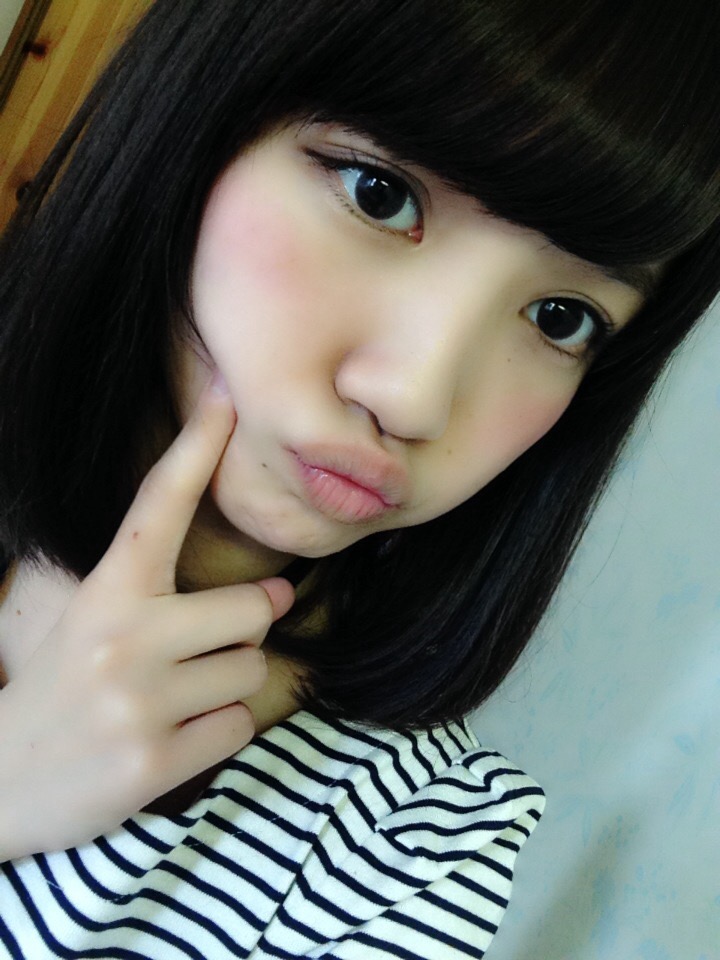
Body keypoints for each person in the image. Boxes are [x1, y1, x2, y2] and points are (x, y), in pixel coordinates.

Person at [0, 0, 718, 956]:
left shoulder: (414, 852)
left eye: (559, 317)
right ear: (201, 116)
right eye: (380, 194)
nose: (416, 399)